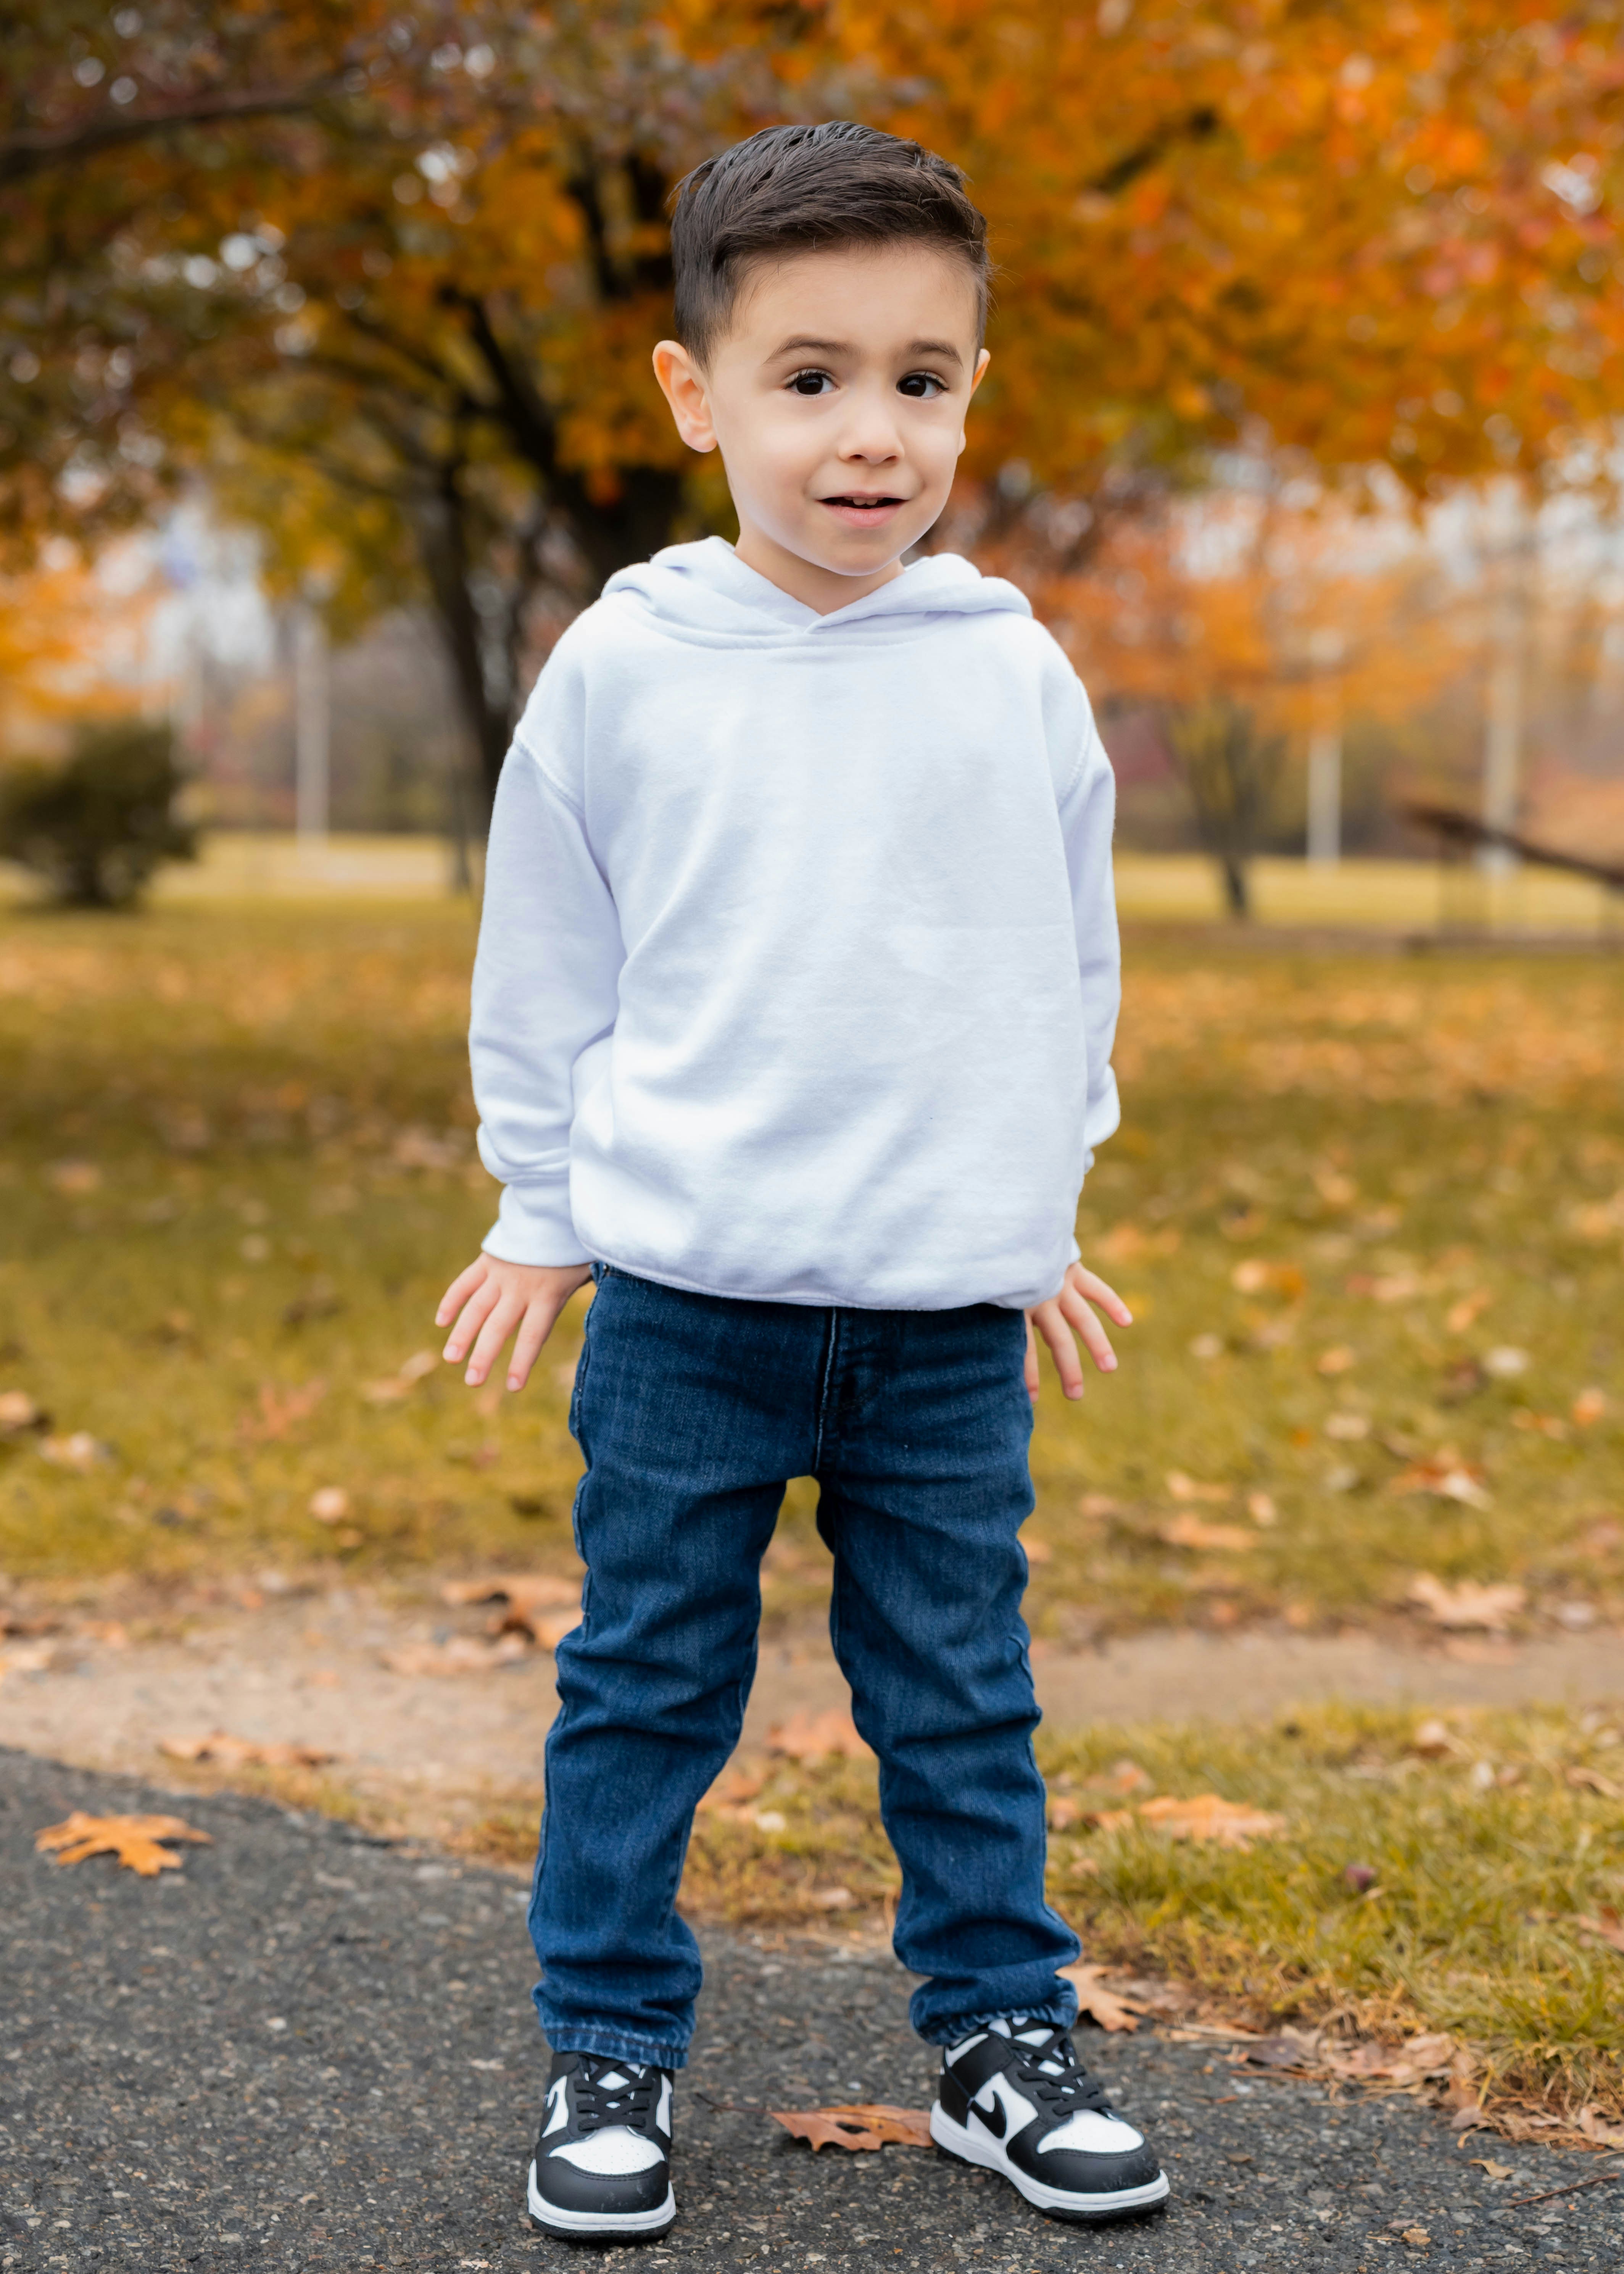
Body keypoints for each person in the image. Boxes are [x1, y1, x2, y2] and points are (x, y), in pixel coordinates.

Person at [434, 118, 1168, 2244]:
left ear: (973, 395)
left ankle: (999, 2036)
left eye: (922, 381)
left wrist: (1045, 1211)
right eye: (814, 377)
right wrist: (535, 1207)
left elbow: (1061, 964)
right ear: (698, 396)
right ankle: (609, 2043)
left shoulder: (1006, 666)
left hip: (942, 1313)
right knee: (648, 1679)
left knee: (959, 1685)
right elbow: (549, 962)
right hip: (690, 1302)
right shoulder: (630, 668)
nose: (875, 436)